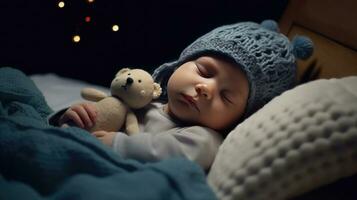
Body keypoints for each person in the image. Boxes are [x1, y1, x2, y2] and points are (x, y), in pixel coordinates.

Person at [51, 20, 313, 170]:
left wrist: (116, 144)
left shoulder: (203, 139)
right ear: (180, 63)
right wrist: (73, 117)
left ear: (239, 117)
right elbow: (101, 119)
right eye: (204, 71)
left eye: (227, 97)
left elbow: (169, 153)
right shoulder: (143, 102)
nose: (205, 89)